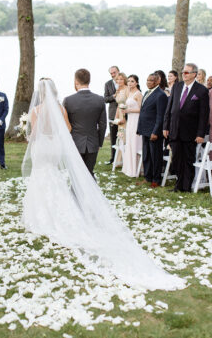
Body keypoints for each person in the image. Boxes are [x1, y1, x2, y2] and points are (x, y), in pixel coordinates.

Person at [21, 78, 185, 291]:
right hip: (54, 147)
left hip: (42, 146)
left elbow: (33, 134)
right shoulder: (61, 108)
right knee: (53, 176)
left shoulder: (36, 110)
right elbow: (68, 128)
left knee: (41, 176)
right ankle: (61, 210)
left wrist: (27, 131)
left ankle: (42, 214)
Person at [163, 63, 209, 192]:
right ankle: (178, 185)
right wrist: (165, 126)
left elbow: (204, 114)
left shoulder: (201, 90)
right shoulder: (177, 87)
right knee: (176, 159)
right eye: (183, 72)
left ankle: (186, 187)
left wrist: (200, 134)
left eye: (187, 72)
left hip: (190, 132)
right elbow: (169, 108)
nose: (184, 74)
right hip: (174, 130)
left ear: (194, 74)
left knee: (188, 160)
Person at [63, 69, 106, 177]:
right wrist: (99, 143)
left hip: (74, 143)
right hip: (93, 143)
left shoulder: (68, 100)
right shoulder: (100, 99)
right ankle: (91, 194)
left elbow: (64, 125)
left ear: (76, 81)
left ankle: (75, 194)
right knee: (89, 173)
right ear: (89, 81)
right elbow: (102, 125)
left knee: (76, 176)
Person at [137, 73, 168, 188]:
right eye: (147, 80)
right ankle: (147, 177)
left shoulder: (161, 95)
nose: (148, 82)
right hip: (144, 130)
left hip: (154, 132)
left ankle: (156, 180)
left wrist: (155, 132)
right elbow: (143, 111)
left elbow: (160, 116)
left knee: (155, 156)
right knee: (146, 155)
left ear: (157, 82)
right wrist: (139, 128)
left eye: (151, 81)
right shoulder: (146, 93)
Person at [122, 75, 143, 177]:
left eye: (132, 81)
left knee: (135, 142)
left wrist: (129, 110)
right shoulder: (129, 93)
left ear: (136, 83)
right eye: (128, 81)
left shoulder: (138, 94)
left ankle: (136, 168)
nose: (130, 83)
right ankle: (129, 167)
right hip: (130, 120)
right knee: (129, 142)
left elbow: (141, 109)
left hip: (136, 120)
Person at [104, 65, 119, 165]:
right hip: (112, 114)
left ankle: (125, 159)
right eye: (111, 73)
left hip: (124, 113)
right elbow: (105, 99)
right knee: (113, 137)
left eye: (114, 72)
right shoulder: (108, 84)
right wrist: (113, 96)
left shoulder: (125, 82)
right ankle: (113, 158)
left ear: (118, 71)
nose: (113, 75)